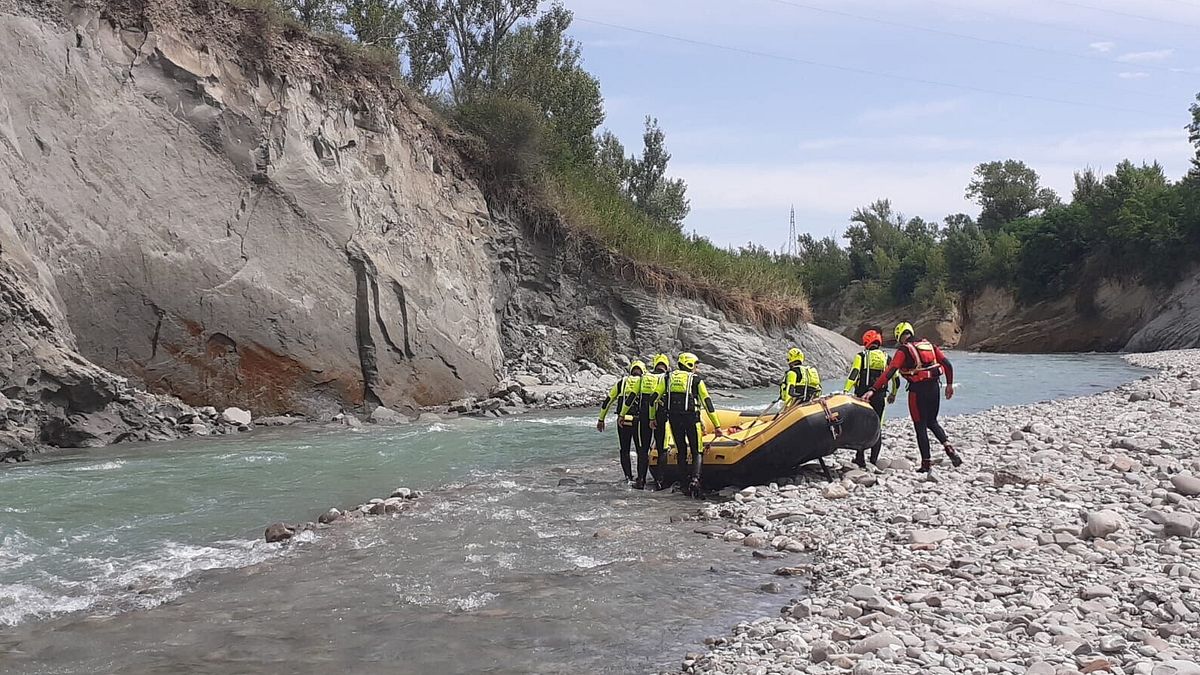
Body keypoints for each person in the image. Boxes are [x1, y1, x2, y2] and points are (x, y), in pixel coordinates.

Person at [864, 322, 962, 473]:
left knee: (920, 426)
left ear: (900, 336)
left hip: (917, 391)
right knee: (932, 421)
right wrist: (949, 385)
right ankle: (948, 447)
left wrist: (872, 390)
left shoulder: (904, 350)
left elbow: (890, 372)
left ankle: (926, 463)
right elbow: (947, 364)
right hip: (935, 387)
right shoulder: (928, 344)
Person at [662, 352, 724, 496]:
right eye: (696, 365)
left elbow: (656, 397)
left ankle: (684, 482)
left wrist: (653, 418)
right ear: (690, 364)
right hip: (691, 419)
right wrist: (717, 426)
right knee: (697, 450)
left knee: (681, 450)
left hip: (674, 419)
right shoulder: (696, 380)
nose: (697, 368)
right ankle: (695, 480)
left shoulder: (668, 378)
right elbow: (707, 403)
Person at [844, 329, 899, 468]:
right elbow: (896, 378)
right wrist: (893, 393)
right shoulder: (887, 357)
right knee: (877, 426)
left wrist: (846, 390)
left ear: (866, 342)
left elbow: (854, 374)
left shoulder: (861, 356)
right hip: (880, 396)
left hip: (862, 397)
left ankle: (860, 458)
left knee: (861, 426)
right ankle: (874, 459)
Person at [597, 361, 646, 482]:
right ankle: (641, 478)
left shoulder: (622, 382)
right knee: (641, 450)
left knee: (624, 450)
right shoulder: (645, 382)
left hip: (622, 421)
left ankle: (628, 477)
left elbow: (608, 400)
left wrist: (601, 419)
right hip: (638, 420)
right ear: (643, 371)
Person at [628, 353, 671, 489]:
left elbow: (632, 396)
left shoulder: (644, 377)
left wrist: (622, 414)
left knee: (643, 449)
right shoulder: (668, 378)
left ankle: (641, 480)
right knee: (662, 449)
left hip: (644, 417)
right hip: (661, 417)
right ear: (666, 366)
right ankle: (660, 481)